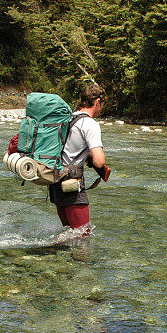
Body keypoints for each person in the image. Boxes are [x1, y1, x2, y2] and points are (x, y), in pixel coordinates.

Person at [50, 83, 109, 233]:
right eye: (102, 105)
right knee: (82, 235)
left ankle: (56, 256)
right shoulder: (90, 124)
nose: (101, 109)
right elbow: (99, 161)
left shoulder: (68, 118)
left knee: (69, 232)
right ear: (97, 102)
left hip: (55, 179)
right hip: (71, 184)